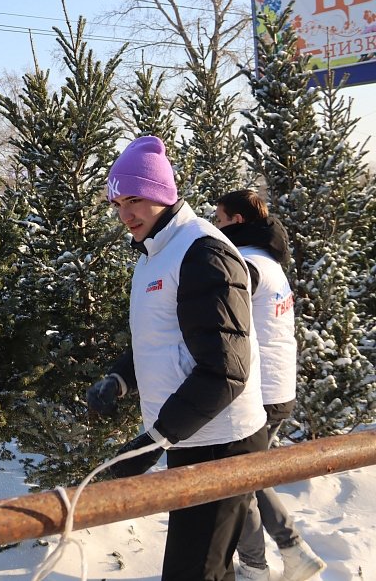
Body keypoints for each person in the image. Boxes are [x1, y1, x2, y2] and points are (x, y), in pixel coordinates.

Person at [86, 136, 268, 581]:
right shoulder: (156, 251)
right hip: (192, 436)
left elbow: (226, 370)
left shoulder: (202, 251)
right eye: (117, 203)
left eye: (135, 199)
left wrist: (154, 440)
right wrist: (120, 378)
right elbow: (164, 337)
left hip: (222, 442)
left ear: (163, 195)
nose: (124, 213)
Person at [214, 190, 326, 581]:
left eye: (220, 219)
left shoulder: (245, 265)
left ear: (237, 222)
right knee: (250, 474)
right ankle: (293, 552)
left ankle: (259, 566)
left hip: (257, 392)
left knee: (239, 481)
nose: (215, 226)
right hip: (278, 388)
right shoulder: (269, 262)